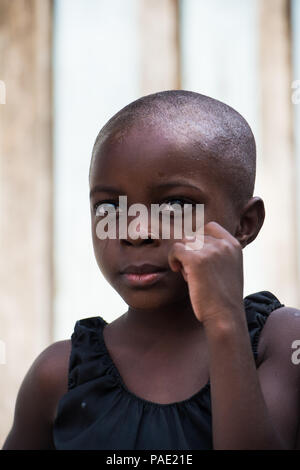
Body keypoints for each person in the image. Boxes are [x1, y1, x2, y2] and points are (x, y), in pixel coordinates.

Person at [3, 90, 300, 450]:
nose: (134, 231)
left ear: (245, 223)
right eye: (110, 207)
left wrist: (224, 319)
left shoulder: (282, 342)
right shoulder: (59, 376)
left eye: (174, 205)